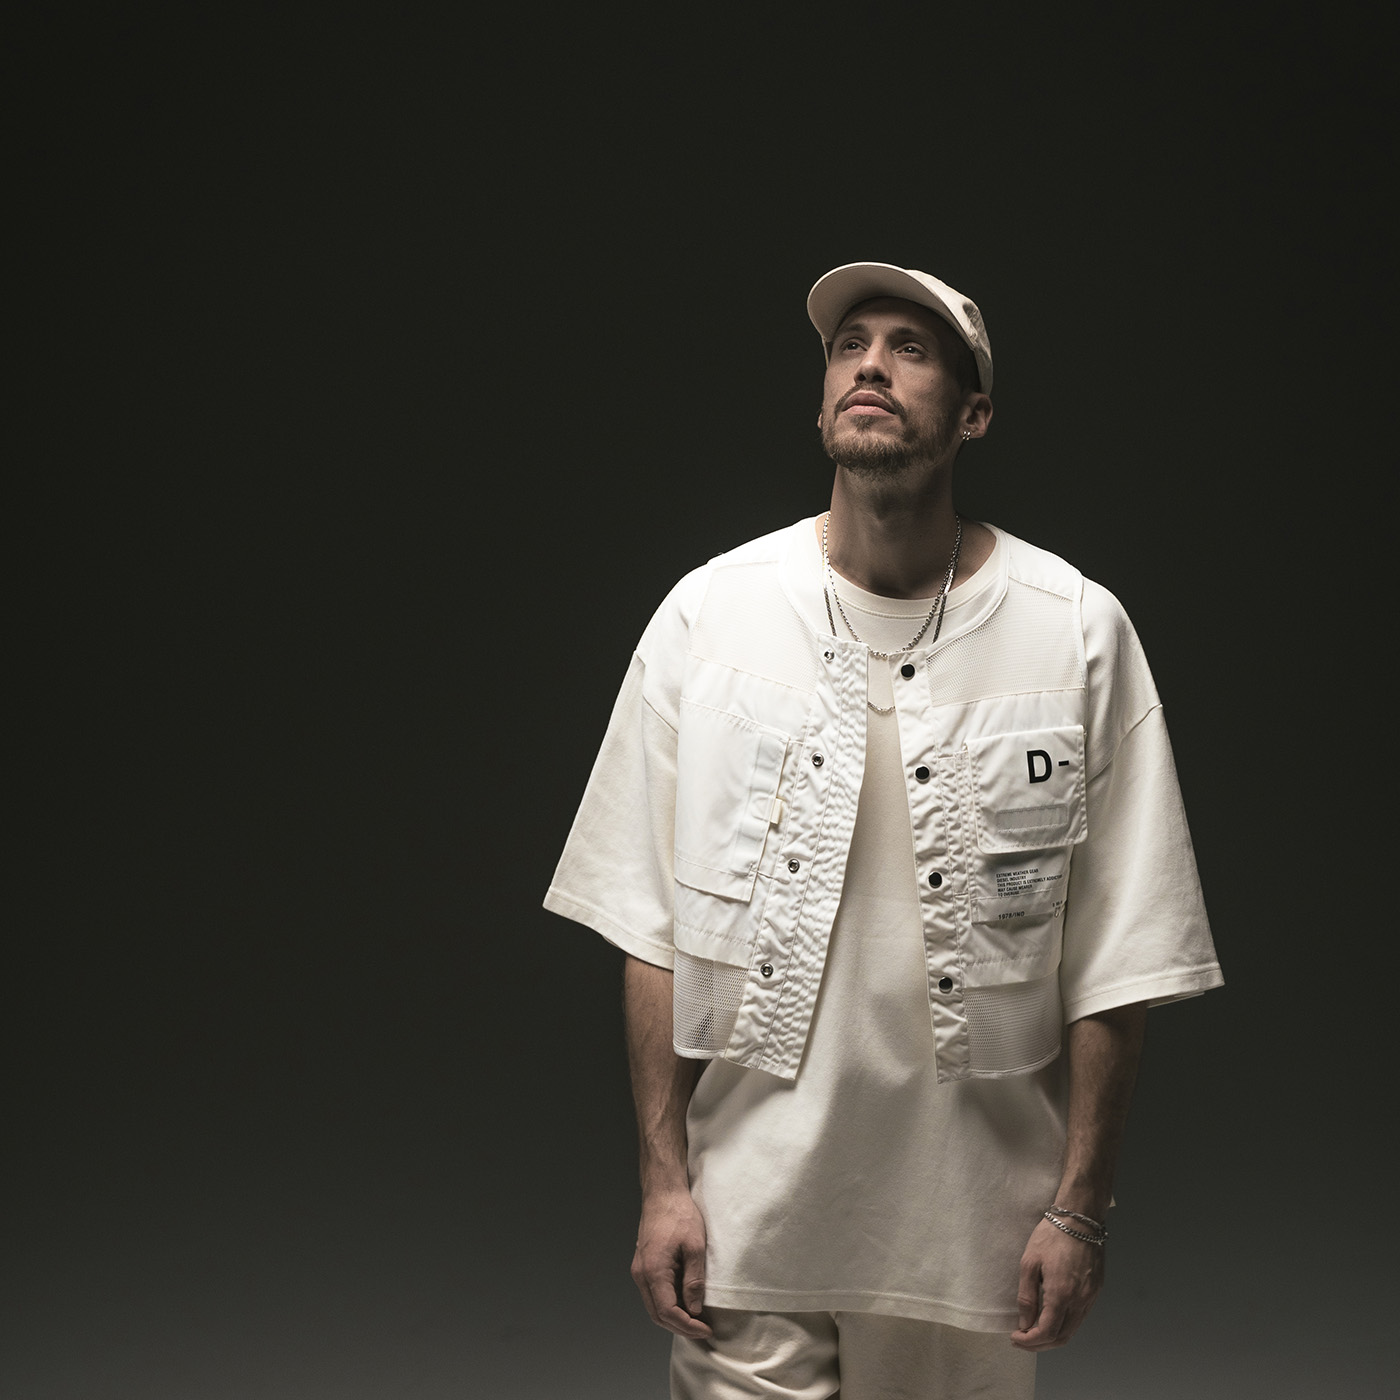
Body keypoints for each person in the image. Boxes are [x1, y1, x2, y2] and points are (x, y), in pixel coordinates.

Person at [544, 261, 1223, 1399]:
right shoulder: (709, 616)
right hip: (742, 1223)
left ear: (973, 413)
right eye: (847, 346)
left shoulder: (1074, 630)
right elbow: (646, 923)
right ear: (821, 398)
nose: (870, 366)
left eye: (911, 350)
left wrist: (1079, 1210)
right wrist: (664, 1184)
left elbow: (1121, 956)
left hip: (975, 1243)